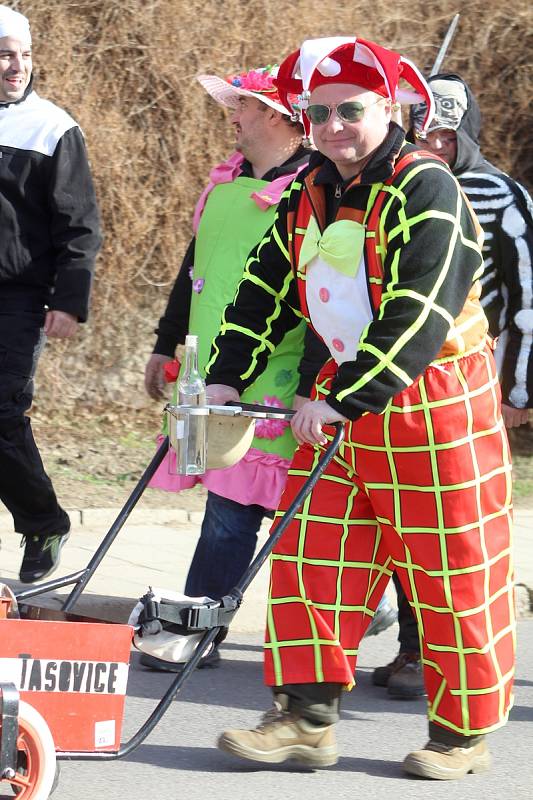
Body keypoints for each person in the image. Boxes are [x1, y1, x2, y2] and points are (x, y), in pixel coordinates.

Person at [204, 36, 515, 780]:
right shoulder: (306, 190)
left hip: (431, 410)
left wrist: (343, 398)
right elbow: (263, 291)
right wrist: (225, 375)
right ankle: (304, 721)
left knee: (451, 574)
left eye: (350, 109)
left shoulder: (427, 188)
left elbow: (419, 310)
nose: (334, 124)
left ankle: (460, 733)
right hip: (335, 411)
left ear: (387, 109)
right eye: (318, 112)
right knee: (313, 561)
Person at [141, 64, 323, 671]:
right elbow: (192, 272)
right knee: (236, 502)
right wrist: (166, 344)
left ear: (276, 115)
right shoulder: (225, 184)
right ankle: (203, 625)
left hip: (280, 377)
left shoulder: (313, 191)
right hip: (216, 371)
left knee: (264, 508)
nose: (232, 115)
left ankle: (199, 626)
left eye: (242, 105)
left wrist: (309, 386)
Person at [372, 72, 533, 700]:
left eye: (443, 135)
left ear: (462, 134)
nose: (430, 145)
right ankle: (412, 646)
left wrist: (517, 389)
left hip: (473, 384)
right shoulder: (393, 187)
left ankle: (459, 662)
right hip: (397, 384)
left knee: (459, 529)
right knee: (404, 525)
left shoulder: (501, 196)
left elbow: (524, 301)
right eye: (421, 131)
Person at [0, 6, 101, 583]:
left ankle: (42, 522)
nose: (17, 66)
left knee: (1, 411)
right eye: (5, 55)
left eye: (25, 55)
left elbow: (80, 223)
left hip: (17, 297)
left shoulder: (50, 127)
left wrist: (69, 298)